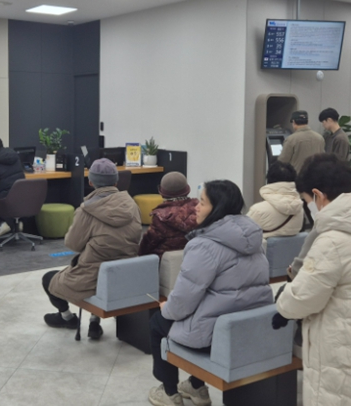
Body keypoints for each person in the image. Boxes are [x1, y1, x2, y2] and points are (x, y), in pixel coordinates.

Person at [148, 180, 272, 406]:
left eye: (202, 203)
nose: (196, 207)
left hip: (214, 335)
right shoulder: (254, 240)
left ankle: (169, 392)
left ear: (217, 208)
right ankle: (196, 387)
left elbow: (183, 300)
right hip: (249, 329)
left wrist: (167, 309)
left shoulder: (203, 246)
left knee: (158, 321)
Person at [274, 155, 351, 405]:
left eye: (307, 201)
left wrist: (283, 298)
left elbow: (300, 299)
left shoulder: (332, 241)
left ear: (317, 195)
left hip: (338, 349)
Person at [42, 158, 141, 340]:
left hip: (92, 277)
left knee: (49, 279)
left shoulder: (86, 210)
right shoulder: (132, 205)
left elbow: (73, 244)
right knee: (102, 268)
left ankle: (67, 318)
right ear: (116, 182)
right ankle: (94, 321)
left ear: (90, 182)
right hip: (124, 275)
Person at [138, 172, 198, 258]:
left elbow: (148, 245)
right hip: (195, 256)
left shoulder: (160, 217)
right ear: (188, 189)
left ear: (161, 192)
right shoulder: (199, 209)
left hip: (165, 261)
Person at [247, 161, 304, 245]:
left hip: (263, 252)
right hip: (291, 253)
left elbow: (241, 236)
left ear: (269, 180)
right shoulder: (299, 209)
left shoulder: (258, 210)